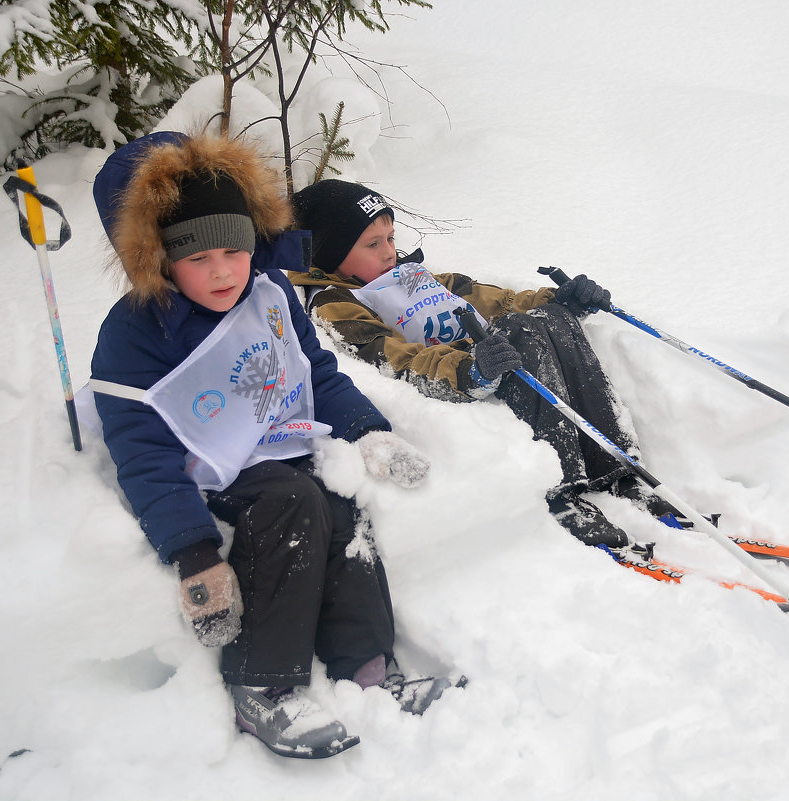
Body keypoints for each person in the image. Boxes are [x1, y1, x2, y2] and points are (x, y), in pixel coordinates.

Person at [89, 133, 451, 760]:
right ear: (156, 258)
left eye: (236, 249)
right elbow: (138, 447)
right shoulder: (135, 333)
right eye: (199, 258)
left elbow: (314, 373)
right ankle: (263, 683)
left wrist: (367, 432)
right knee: (291, 500)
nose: (225, 270)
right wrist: (194, 552)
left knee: (338, 502)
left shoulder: (269, 295)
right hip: (203, 466)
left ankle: (366, 666)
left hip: (276, 443)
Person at [289, 179, 670, 548]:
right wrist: (469, 371)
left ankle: (619, 470)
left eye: (390, 239)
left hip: (496, 359)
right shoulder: (337, 303)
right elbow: (396, 359)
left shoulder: (417, 279)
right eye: (373, 244)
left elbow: (498, 302)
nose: (389, 252)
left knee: (551, 319)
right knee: (520, 333)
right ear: (332, 256)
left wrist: (562, 300)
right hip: (465, 378)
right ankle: (561, 490)